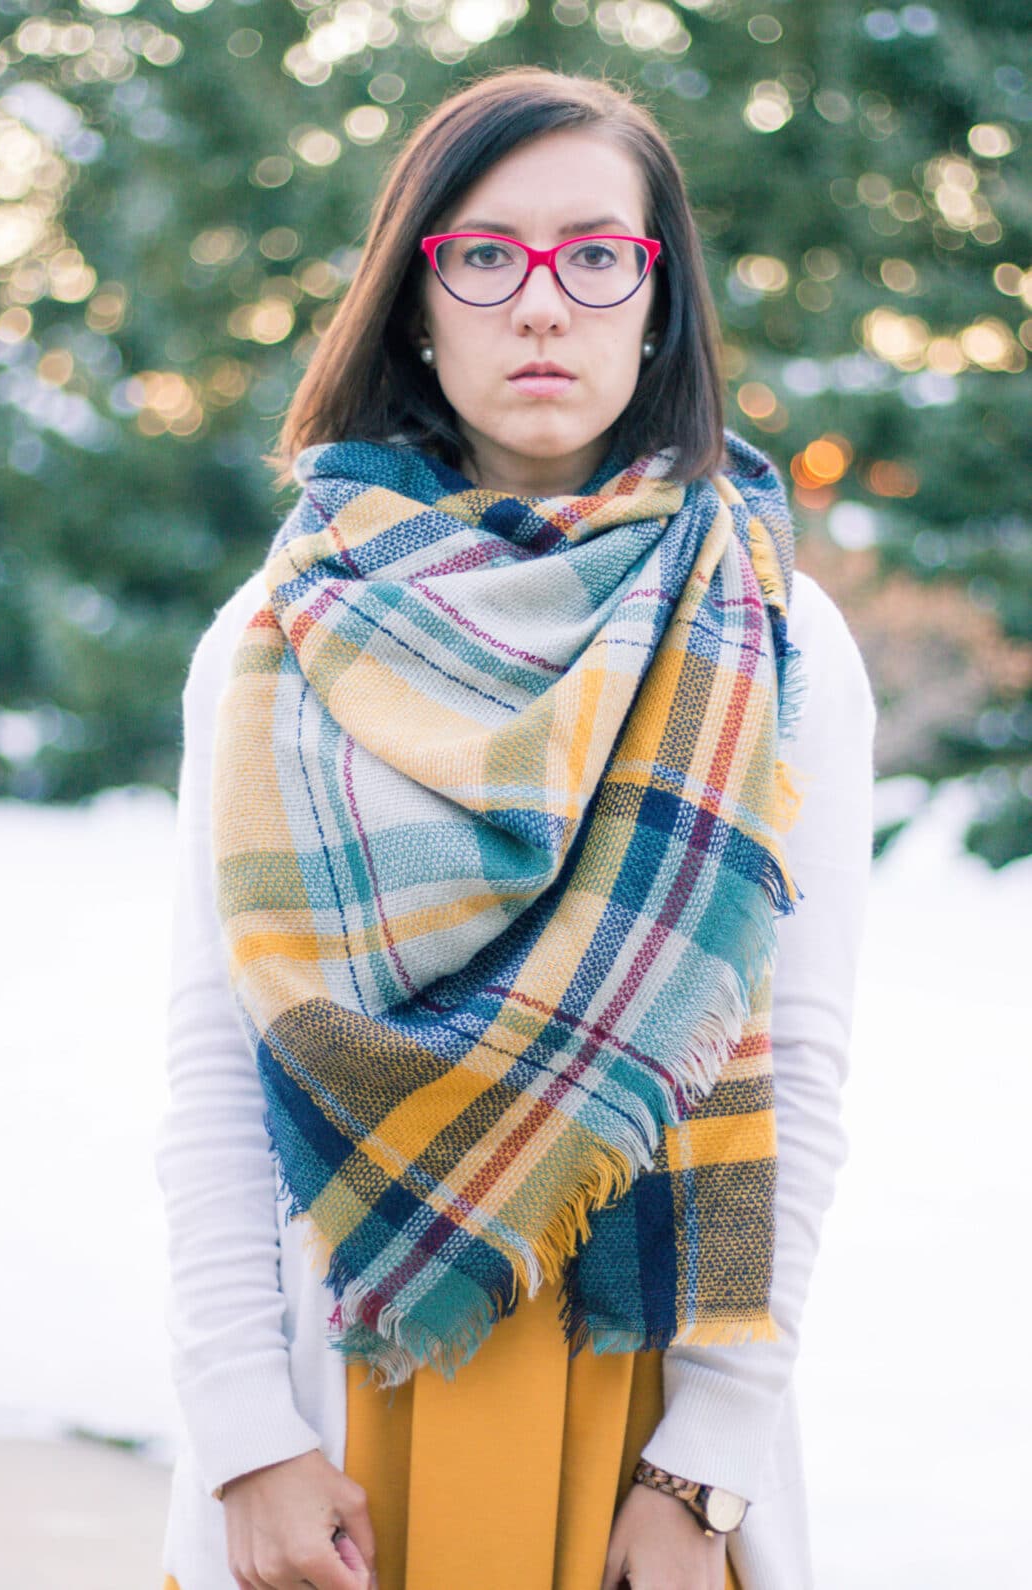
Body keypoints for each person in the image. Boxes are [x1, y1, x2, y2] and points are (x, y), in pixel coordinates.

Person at [155, 67, 876, 1590]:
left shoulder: (776, 636)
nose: (541, 303)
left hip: (641, 1389)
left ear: (655, 301)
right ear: (417, 299)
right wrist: (244, 1434)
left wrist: (706, 1469)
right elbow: (216, 1056)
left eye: (594, 253)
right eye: (485, 255)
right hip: (342, 1374)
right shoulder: (272, 639)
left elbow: (796, 1065)